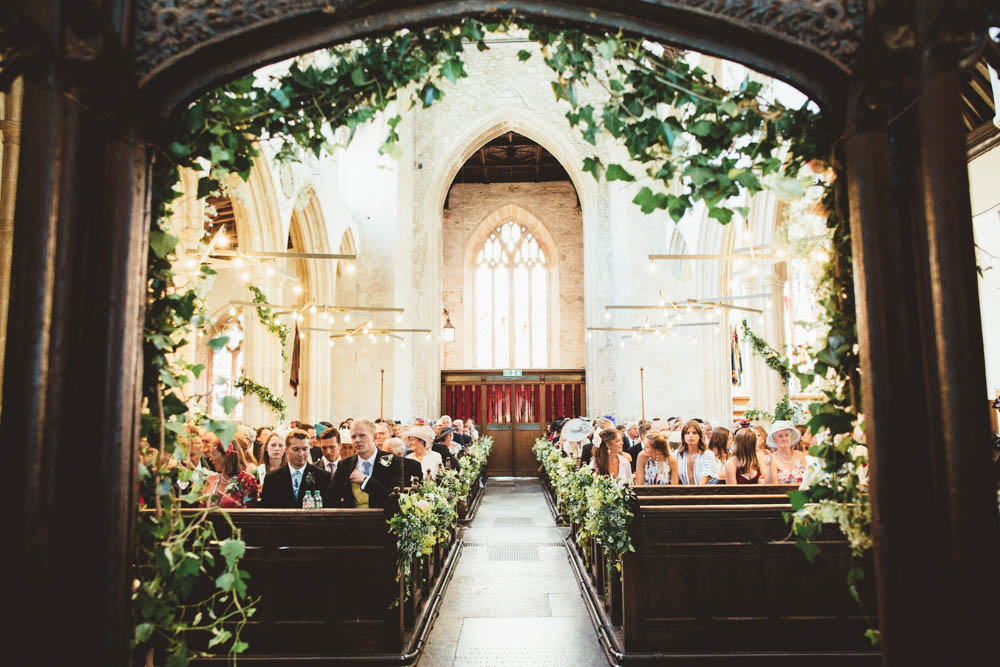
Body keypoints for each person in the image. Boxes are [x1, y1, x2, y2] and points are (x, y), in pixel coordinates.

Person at [328, 419, 405, 508]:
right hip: (351, 519)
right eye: (353, 437)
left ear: (375, 437)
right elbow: (332, 497)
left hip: (381, 519)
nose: (357, 440)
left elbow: (396, 496)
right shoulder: (345, 464)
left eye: (362, 435)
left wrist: (366, 481)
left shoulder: (392, 460)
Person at [260, 429, 332, 508]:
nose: (301, 454)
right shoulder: (272, 478)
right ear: (286, 450)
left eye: (304, 449)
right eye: (296, 449)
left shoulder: (323, 476)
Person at [202, 441, 259, 508]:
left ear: (226, 455)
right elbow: (202, 507)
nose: (211, 459)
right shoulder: (211, 480)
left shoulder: (247, 480)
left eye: (213, 454)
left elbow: (249, 512)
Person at [675, 419, 718, 485]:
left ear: (700, 436)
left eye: (694, 433)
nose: (690, 436)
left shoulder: (708, 454)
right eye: (687, 433)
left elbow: (705, 477)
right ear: (683, 436)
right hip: (682, 492)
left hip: (703, 492)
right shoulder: (677, 454)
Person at [768, 420, 807, 484]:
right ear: (774, 439)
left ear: (791, 437)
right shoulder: (772, 458)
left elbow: (807, 480)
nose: (784, 439)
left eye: (787, 435)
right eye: (780, 436)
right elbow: (772, 486)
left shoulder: (801, 455)